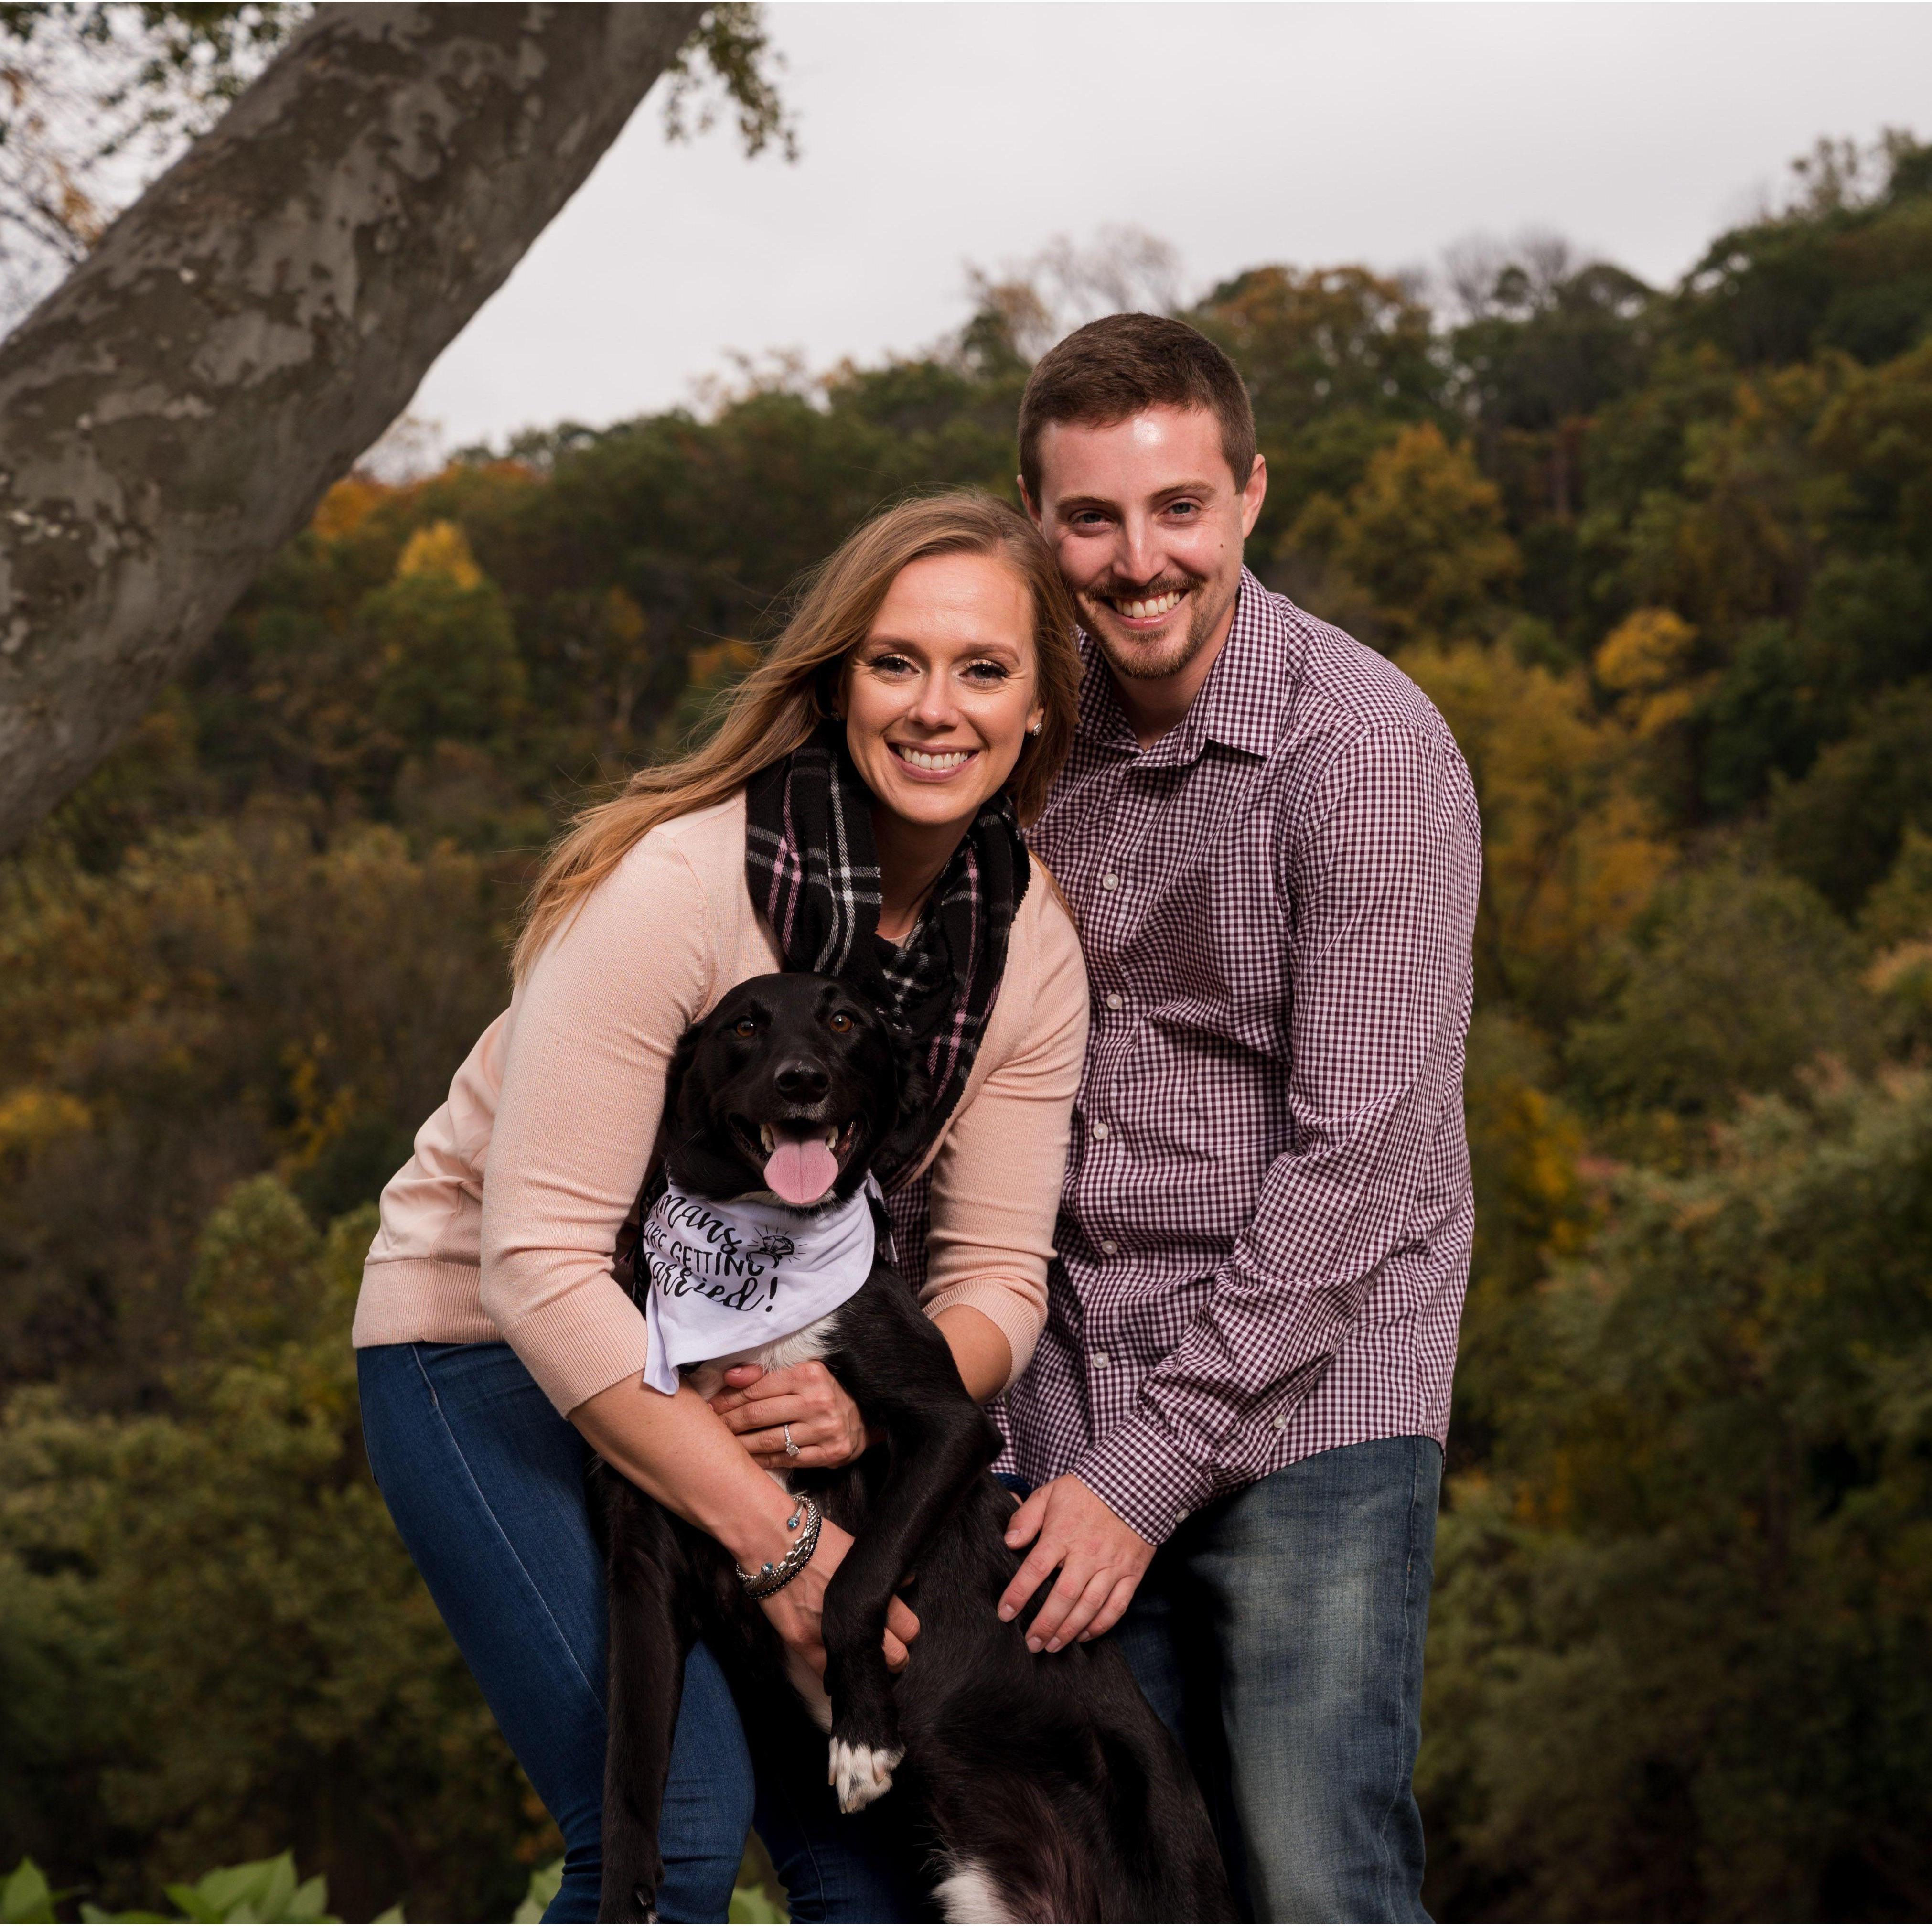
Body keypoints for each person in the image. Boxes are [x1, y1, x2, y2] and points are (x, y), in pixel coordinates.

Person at [351, 491, 1089, 1923]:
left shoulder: (1028, 950)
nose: (936, 709)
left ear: (1039, 709)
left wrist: (866, 1404)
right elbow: (537, 1265)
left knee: (884, 1872)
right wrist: (781, 1543)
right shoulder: (687, 884)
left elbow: (999, 1278)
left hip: (747, 1367)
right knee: (675, 1831)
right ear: (837, 682)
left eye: (985, 669)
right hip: (493, 1349)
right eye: (895, 662)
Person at [984, 312, 1482, 1922]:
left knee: (1308, 1873)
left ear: (1251, 495)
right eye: (1091, 518)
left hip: (1313, 1394)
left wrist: (1140, 1475)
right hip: (1058, 1396)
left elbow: (1358, 1169)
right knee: (1112, 1884)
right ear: (1036, 522)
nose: (1139, 562)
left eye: (1178, 507)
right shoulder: (1011, 738)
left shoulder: (1364, 752)